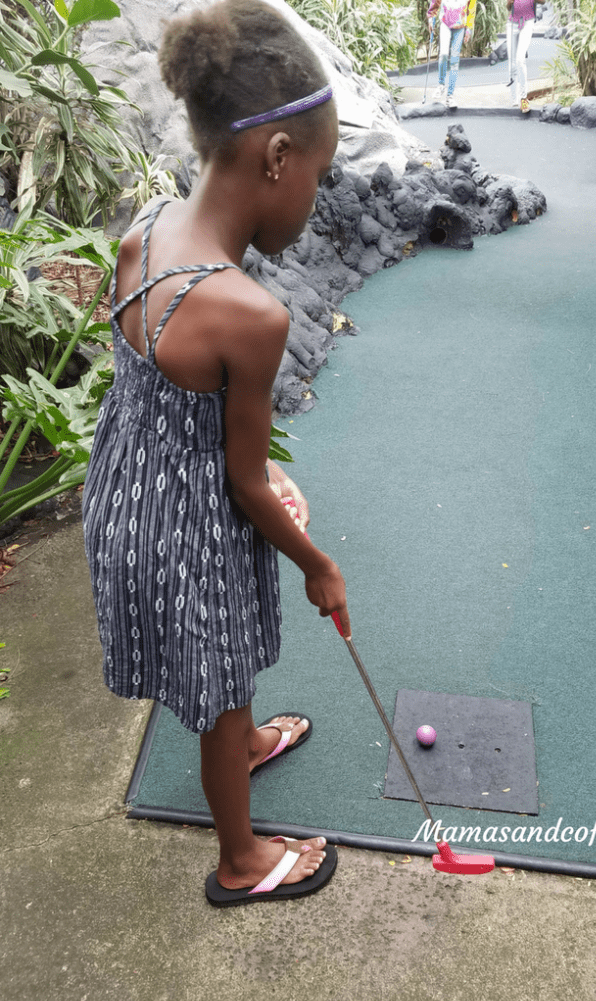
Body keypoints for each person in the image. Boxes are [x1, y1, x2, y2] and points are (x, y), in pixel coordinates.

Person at [82, 0, 349, 907]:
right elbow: (241, 482)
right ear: (278, 158)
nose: (315, 198)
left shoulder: (146, 228)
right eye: (319, 173)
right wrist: (319, 567)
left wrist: (257, 470)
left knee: (211, 666)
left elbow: (164, 391)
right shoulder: (253, 313)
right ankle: (239, 859)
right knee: (223, 670)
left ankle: (236, 750)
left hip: (124, 497)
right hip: (188, 532)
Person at [427, 0, 476, 108]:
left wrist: (469, 30)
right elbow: (435, 3)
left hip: (460, 27)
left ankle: (450, 96)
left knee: (454, 61)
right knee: (443, 54)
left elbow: (471, 10)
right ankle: (441, 85)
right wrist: (431, 19)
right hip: (445, 23)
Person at [506, 0, 544, 113]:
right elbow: (508, 8)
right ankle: (514, 99)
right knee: (512, 61)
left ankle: (523, 99)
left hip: (527, 22)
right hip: (512, 23)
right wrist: (509, 3)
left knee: (520, 59)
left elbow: (543, 1)